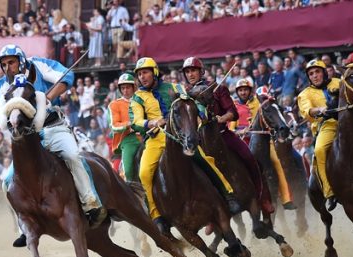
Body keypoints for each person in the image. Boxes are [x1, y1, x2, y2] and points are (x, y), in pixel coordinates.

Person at [0, 45, 107, 232]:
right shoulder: (2, 85)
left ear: (20, 60)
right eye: (4, 64)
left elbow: (66, 77)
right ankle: (24, 225)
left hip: (54, 127)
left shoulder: (39, 65)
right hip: (28, 138)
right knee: (6, 181)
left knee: (72, 156)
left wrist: (49, 97)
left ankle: (91, 203)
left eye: (11, 62)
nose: (7, 68)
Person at [129, 57, 240, 237]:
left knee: (204, 158)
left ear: (155, 72)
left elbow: (192, 103)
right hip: (156, 139)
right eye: (139, 74)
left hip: (180, 137)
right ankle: (157, 216)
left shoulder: (174, 88)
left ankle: (228, 194)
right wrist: (151, 122)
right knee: (143, 173)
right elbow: (135, 122)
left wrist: (202, 113)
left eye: (146, 72)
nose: (142, 77)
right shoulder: (136, 97)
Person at [182, 57, 282, 211]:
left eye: (193, 70)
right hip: (199, 140)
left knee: (250, 158)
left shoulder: (217, 88)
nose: (190, 74)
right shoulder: (185, 94)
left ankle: (262, 197)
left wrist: (222, 118)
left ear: (201, 71)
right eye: (187, 71)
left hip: (222, 134)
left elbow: (233, 112)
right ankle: (209, 215)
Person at [297, 60, 353, 211]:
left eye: (317, 72)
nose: (315, 76)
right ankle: (329, 191)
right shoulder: (304, 94)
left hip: (351, 121)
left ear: (324, 72)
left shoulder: (339, 81)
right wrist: (318, 110)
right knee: (319, 150)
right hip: (328, 125)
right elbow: (307, 111)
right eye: (311, 74)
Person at [107, 73, 141, 181]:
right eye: (123, 88)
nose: (125, 90)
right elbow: (114, 125)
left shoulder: (142, 100)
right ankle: (130, 188)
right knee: (129, 169)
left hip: (147, 136)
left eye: (128, 87)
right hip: (128, 139)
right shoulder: (114, 104)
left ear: (133, 87)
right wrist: (128, 124)